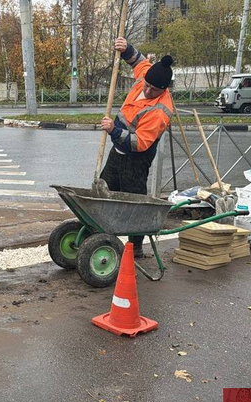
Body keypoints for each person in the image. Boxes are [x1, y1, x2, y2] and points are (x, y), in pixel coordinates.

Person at [100, 37, 174, 258]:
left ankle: (136, 247)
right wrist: (126, 49)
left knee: (135, 202)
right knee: (103, 190)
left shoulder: (160, 110)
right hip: (117, 154)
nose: (148, 91)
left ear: (163, 90)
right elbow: (138, 61)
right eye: (147, 85)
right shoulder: (146, 74)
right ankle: (98, 235)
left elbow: (139, 143)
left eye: (153, 90)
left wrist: (114, 130)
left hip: (136, 159)